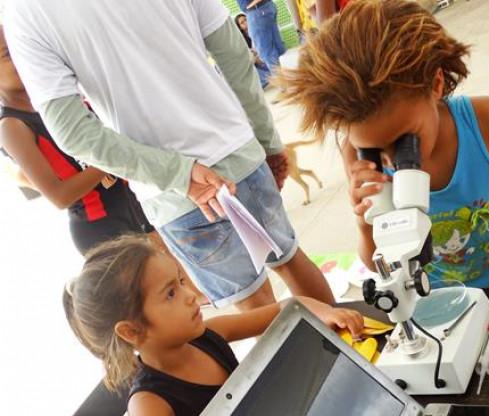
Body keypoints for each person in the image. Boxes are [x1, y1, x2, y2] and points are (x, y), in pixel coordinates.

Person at [5, 0, 334, 310]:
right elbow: (233, 53)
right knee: (290, 259)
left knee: (253, 304)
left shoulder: (24, 12)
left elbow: (73, 132)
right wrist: (266, 139)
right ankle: (357, 360)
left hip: (175, 193)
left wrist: (180, 174)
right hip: (237, 150)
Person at [277, 0, 489, 286]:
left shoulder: (487, 120)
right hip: (437, 301)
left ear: (435, 83)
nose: (390, 161)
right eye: (373, 149)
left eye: (404, 143)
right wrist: (364, 223)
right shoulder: (358, 158)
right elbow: (380, 264)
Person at [62, 235, 364, 416]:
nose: (191, 295)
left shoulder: (208, 335)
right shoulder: (149, 404)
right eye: (170, 293)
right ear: (131, 331)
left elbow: (287, 309)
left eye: (180, 281)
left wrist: (325, 312)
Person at [0, 27, 150, 255]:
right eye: (7, 54)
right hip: (103, 233)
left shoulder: (58, 95)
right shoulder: (11, 126)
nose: (20, 56)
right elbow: (60, 196)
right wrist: (114, 153)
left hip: (141, 206)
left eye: (19, 47)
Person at [238, 0, 288, 73]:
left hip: (256, 10)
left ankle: (283, 82)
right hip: (264, 7)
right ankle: (290, 79)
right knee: (278, 48)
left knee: (267, 54)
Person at [235, 13, 272, 88]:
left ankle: (268, 76)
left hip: (266, 59)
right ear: (240, 27)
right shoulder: (242, 40)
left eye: (246, 19)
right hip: (257, 63)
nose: (246, 22)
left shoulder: (258, 30)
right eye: (242, 22)